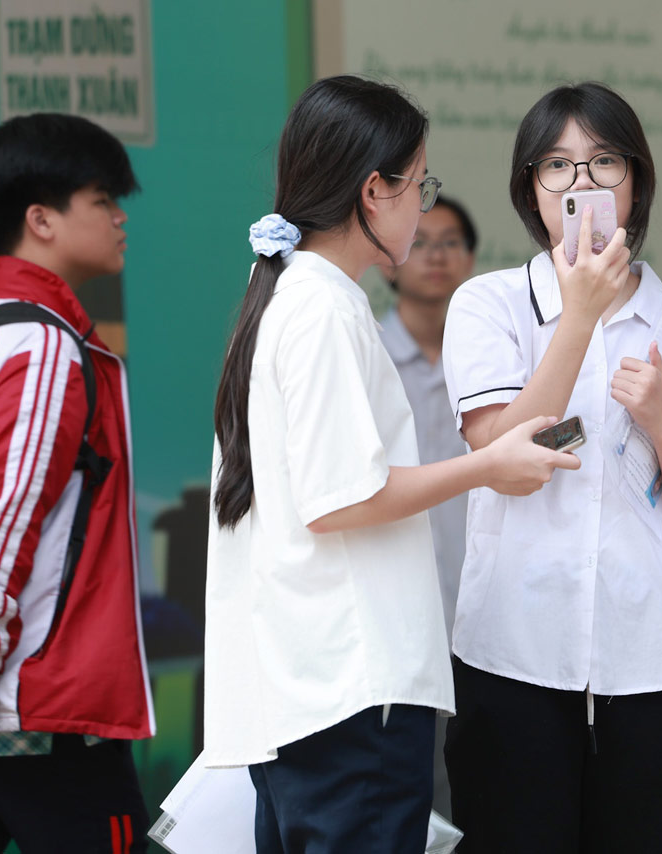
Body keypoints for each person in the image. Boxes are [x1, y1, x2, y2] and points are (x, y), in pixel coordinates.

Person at [202, 76, 578, 854]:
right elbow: (342, 499)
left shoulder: (285, 291)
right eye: (419, 184)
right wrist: (487, 466)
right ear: (374, 190)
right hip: (351, 693)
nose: (421, 207)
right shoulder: (324, 306)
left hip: (309, 693)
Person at [441, 81, 662, 853]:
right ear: (531, 190)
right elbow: (498, 455)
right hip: (512, 654)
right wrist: (580, 316)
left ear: (637, 181)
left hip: (654, 669)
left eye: (603, 161)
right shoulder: (489, 305)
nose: (581, 183)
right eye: (556, 166)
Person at [0, 113, 153, 853]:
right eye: (101, 198)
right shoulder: (44, 345)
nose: (120, 217)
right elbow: (0, 519)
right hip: (28, 705)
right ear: (40, 218)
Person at [379, 194, 477, 819]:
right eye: (422, 241)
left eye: (451, 243)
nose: (437, 257)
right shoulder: (366, 354)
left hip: (489, 622)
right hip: (402, 628)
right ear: (389, 261)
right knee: (414, 808)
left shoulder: (499, 358)